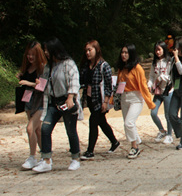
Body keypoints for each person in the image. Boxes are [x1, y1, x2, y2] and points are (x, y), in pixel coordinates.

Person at [32, 38, 82, 173]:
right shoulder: (48, 66)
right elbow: (44, 84)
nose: (45, 52)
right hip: (52, 103)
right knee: (45, 129)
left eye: (46, 50)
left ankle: (75, 158)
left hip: (66, 101)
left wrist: (71, 97)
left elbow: (74, 81)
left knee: (70, 131)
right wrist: (37, 84)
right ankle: (46, 159)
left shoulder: (68, 64)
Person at [79, 40, 120, 160]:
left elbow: (108, 85)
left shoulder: (103, 65)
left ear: (96, 50)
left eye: (90, 50)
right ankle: (114, 141)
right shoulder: (86, 65)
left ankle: (90, 150)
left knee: (93, 122)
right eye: (86, 50)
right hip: (90, 98)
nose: (87, 53)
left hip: (101, 99)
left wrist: (106, 101)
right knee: (101, 122)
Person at [115, 44, 155, 159]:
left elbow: (143, 86)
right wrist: (113, 99)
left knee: (129, 122)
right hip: (124, 98)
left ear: (131, 54)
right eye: (122, 52)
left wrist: (150, 102)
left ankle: (134, 147)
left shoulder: (137, 68)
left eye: (126, 53)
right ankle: (136, 139)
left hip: (136, 98)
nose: (123, 55)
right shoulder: (121, 68)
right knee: (127, 124)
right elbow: (118, 84)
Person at [17, 41, 47, 170]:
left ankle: (32, 157)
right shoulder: (26, 68)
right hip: (28, 101)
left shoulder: (42, 68)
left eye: (33, 55)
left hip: (39, 102)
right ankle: (45, 156)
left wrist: (28, 83)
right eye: (28, 55)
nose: (30, 57)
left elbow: (42, 86)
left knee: (30, 128)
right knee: (37, 130)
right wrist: (21, 77)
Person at [148, 41, 174, 144]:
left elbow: (172, 76)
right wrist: (150, 84)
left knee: (168, 115)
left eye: (159, 49)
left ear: (164, 49)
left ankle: (169, 135)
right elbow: (151, 76)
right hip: (158, 92)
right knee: (153, 113)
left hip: (167, 91)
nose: (157, 52)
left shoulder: (170, 61)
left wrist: (162, 77)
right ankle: (162, 130)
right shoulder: (154, 63)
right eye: (156, 50)